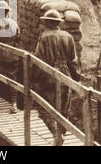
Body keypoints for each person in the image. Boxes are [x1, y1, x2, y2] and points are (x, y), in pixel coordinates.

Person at [33, 9, 79, 146]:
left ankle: (56, 135)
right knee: (64, 108)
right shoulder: (68, 36)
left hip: (48, 75)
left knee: (44, 108)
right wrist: (75, 78)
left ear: (47, 22)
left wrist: (33, 78)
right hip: (65, 75)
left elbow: (38, 59)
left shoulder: (44, 36)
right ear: (58, 23)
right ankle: (61, 135)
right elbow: (73, 60)